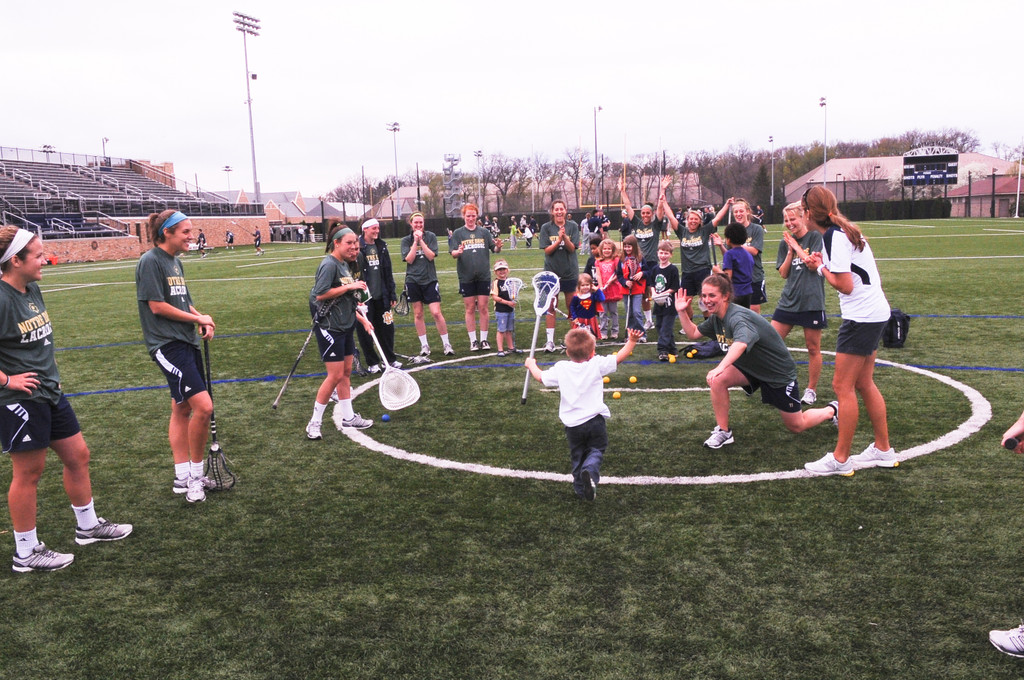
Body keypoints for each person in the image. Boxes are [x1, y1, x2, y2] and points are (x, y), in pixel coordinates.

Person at [0, 226, 132, 572]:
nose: (45, 258)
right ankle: (26, 553)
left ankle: (87, 527)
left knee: (78, 455)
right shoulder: (0, 298)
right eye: (38, 255)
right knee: (29, 472)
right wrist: (8, 379)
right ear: (15, 260)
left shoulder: (32, 290)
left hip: (49, 392)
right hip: (20, 398)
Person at [675, 274, 840, 450]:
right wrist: (681, 311)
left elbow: (740, 344)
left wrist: (720, 367)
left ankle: (832, 410)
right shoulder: (717, 318)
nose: (707, 300)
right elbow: (693, 333)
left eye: (712, 295)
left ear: (725, 296)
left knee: (796, 425)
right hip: (751, 367)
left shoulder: (737, 317)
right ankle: (724, 431)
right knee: (718, 380)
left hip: (776, 372)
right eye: (704, 295)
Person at [801, 186, 895, 475]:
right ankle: (883, 450)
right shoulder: (843, 232)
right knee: (864, 383)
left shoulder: (834, 236)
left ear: (809, 213)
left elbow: (845, 284)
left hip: (862, 318)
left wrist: (819, 269)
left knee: (843, 387)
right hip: (875, 313)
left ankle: (841, 459)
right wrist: (822, 263)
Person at [135, 210, 218, 503]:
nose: (190, 236)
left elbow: (186, 301)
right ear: (166, 233)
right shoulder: (150, 261)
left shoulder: (174, 263)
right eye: (185, 231)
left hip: (186, 341)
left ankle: (182, 477)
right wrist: (196, 319)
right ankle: (196, 476)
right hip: (167, 344)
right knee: (203, 408)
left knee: (182, 409)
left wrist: (202, 318)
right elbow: (157, 306)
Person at [524, 327, 644, 500]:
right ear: (593, 352)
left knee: (578, 456)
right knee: (596, 449)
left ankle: (581, 489)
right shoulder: (596, 364)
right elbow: (618, 358)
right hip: (595, 421)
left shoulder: (561, 367)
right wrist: (632, 341)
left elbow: (541, 377)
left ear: (567, 352)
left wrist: (531, 364)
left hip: (572, 425)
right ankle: (590, 470)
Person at [305, 224, 375, 440]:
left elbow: (345, 301)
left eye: (355, 242)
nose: (354, 246)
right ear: (336, 243)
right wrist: (349, 287)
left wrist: (362, 320)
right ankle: (314, 422)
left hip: (345, 325)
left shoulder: (345, 265)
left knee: (345, 372)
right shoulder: (329, 265)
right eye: (349, 243)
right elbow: (320, 294)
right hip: (330, 327)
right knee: (335, 375)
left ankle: (349, 416)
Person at [773, 202, 827, 405]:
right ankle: (777, 381)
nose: (789, 224)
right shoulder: (785, 242)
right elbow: (783, 273)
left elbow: (814, 266)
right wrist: (789, 251)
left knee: (813, 348)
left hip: (811, 302)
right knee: (771, 341)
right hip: (788, 301)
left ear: (803, 217)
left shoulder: (815, 237)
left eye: (793, 219)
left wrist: (797, 247)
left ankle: (811, 390)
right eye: (786, 220)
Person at [450, 203, 503, 351]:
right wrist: (458, 252)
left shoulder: (484, 232)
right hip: (466, 276)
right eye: (468, 215)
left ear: (477, 216)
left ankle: (484, 339)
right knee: (470, 308)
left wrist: (498, 246)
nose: (471, 218)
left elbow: (495, 250)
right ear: (464, 216)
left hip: (483, 276)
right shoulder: (458, 233)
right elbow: (453, 253)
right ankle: (473, 341)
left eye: (473, 215)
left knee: (483, 307)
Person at [400, 212, 454, 357]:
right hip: (413, 280)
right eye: (415, 223)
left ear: (424, 223)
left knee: (436, 312)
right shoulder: (406, 240)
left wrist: (421, 241)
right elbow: (409, 259)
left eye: (421, 222)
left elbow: (431, 256)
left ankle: (446, 344)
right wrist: (415, 242)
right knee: (418, 314)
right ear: (411, 224)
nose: (418, 225)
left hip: (429, 279)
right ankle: (424, 345)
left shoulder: (431, 236)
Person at [353, 218, 400, 373]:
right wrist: (357, 297)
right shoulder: (358, 247)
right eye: (374, 228)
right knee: (366, 331)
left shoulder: (382, 246)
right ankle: (372, 362)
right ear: (365, 229)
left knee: (387, 328)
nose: (377, 231)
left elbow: (387, 271)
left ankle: (389, 359)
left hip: (383, 296)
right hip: (365, 299)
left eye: (378, 228)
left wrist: (392, 293)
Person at [619, 177, 666, 330]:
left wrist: (663, 190)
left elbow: (660, 209)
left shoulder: (656, 225)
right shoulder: (637, 223)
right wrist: (622, 190)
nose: (645, 215)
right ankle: (648, 320)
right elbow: (628, 205)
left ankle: (662, 319)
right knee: (643, 294)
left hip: (652, 263)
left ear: (651, 214)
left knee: (657, 293)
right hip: (638, 264)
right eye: (643, 213)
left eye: (648, 213)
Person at [664, 198, 716, 323]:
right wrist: (663, 199)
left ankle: (710, 325)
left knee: (705, 300)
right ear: (687, 220)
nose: (693, 221)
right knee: (686, 300)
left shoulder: (704, 231)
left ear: (700, 221)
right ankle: (690, 324)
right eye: (691, 218)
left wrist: (727, 205)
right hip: (687, 272)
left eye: (696, 219)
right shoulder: (682, 232)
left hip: (703, 270)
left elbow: (717, 219)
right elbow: (671, 217)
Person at [539, 199, 581, 352]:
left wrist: (565, 238)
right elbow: (547, 250)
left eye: (561, 209)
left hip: (569, 272)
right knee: (551, 307)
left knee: (572, 307)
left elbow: (572, 249)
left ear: (565, 210)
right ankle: (550, 342)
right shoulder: (546, 228)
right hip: (552, 274)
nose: (559, 212)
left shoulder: (573, 226)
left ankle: (574, 340)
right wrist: (558, 240)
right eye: (556, 209)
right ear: (552, 211)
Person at [711, 198, 765, 312]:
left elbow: (755, 251)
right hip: (737, 281)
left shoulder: (756, 229)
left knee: (753, 311)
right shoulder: (732, 230)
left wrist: (737, 244)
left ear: (748, 211)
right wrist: (721, 245)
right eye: (736, 212)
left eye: (741, 211)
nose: (738, 214)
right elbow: (730, 255)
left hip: (754, 276)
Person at [713, 223, 755, 309]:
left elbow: (728, 277)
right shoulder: (748, 254)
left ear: (728, 240)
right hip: (748, 292)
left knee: (732, 318)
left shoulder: (729, 254)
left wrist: (717, 271)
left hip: (735, 293)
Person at [650, 240, 680, 361]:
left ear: (671, 255)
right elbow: (652, 283)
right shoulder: (655, 269)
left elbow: (674, 287)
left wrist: (663, 294)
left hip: (669, 304)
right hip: (658, 303)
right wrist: (654, 293)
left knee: (666, 328)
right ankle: (672, 349)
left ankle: (662, 350)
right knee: (659, 325)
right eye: (661, 253)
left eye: (666, 253)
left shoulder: (673, 270)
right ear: (657, 253)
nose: (663, 256)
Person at [616, 235, 647, 334]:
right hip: (626, 289)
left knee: (636, 312)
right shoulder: (621, 260)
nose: (627, 248)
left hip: (637, 289)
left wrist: (642, 273)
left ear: (634, 246)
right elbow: (619, 275)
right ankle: (631, 332)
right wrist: (625, 282)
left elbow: (648, 271)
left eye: (629, 246)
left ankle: (641, 333)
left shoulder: (640, 258)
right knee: (629, 312)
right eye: (625, 246)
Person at [593, 239, 622, 341]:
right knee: (603, 312)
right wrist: (601, 286)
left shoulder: (616, 260)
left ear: (612, 250)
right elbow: (598, 275)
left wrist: (611, 281)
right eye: (605, 249)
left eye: (609, 249)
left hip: (613, 288)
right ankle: (603, 331)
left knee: (613, 311)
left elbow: (618, 274)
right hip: (603, 290)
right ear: (601, 250)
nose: (607, 250)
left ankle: (615, 330)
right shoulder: (598, 262)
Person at [489, 260, 518, 357]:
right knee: (501, 330)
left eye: (504, 269)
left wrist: (513, 301)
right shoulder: (496, 282)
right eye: (499, 270)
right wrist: (507, 302)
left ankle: (511, 347)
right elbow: (495, 297)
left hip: (510, 309)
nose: (502, 271)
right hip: (501, 310)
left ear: (507, 270)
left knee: (509, 329)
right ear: (495, 272)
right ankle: (500, 349)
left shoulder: (510, 281)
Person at [568, 273, 605, 338]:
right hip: (580, 319)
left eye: (587, 285)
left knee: (591, 336)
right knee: (579, 337)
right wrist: (574, 317)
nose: (585, 287)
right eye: (583, 285)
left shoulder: (593, 295)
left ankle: (591, 347)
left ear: (591, 285)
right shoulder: (576, 297)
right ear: (579, 286)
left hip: (591, 319)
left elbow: (602, 299)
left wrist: (597, 290)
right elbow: (572, 307)